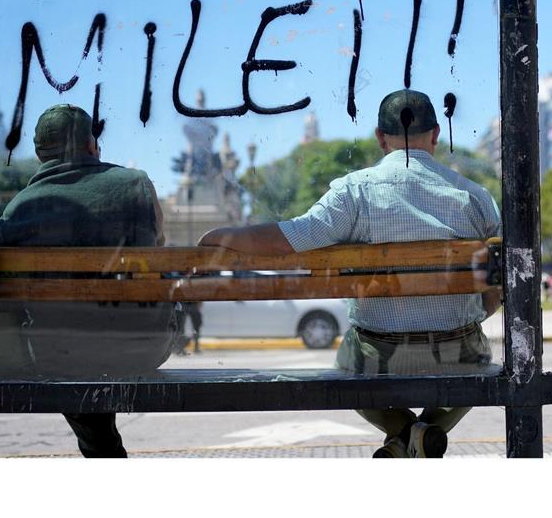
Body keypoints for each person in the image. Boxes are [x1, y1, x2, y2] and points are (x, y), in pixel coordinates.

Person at [199, 89, 501, 458]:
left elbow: (290, 238)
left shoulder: (355, 193)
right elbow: (497, 286)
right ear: (436, 134)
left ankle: (403, 433)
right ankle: (427, 432)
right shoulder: (475, 196)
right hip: (457, 351)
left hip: (379, 355)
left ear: (380, 137)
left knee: (345, 364)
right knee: (478, 359)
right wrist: (475, 316)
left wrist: (222, 236)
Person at [0, 104, 179, 458]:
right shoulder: (137, 184)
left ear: (40, 155)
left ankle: (103, 451)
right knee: (93, 341)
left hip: (57, 352)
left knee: (69, 347)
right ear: (91, 145)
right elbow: (157, 250)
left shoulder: (13, 211)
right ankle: (104, 453)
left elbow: (3, 302)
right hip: (145, 344)